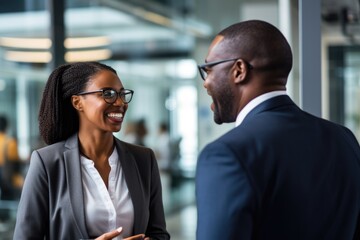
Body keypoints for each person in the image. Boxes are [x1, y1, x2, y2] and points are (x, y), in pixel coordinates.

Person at [195, 20, 360, 239]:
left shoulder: (226, 155)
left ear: (239, 70)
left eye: (208, 69)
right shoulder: (343, 139)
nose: (206, 83)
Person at [13, 62, 170, 240]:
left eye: (122, 94)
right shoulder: (47, 162)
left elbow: (159, 233)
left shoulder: (143, 159)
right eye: (108, 94)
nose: (120, 103)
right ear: (77, 102)